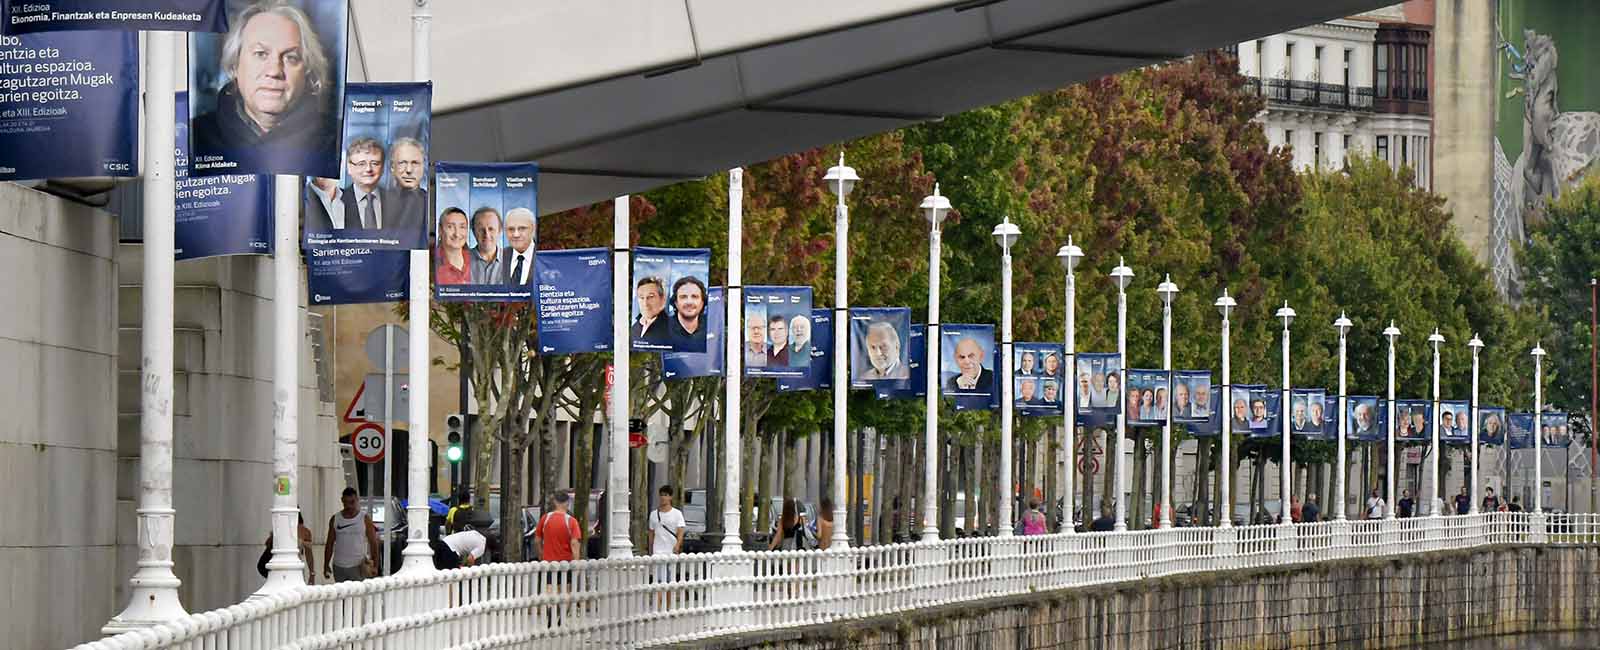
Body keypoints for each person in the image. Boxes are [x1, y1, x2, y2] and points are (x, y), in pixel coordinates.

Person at [191, 2, 336, 168]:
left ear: (308, 71)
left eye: (291, 57)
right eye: (261, 54)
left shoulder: (337, 141)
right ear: (235, 65)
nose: (274, 71)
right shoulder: (195, 136)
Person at [324, 487, 381, 582]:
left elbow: (373, 543)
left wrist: (375, 566)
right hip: (339, 566)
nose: (349, 506)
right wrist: (326, 565)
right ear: (342, 501)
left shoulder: (364, 519)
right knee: (342, 596)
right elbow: (329, 544)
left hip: (358, 567)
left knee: (358, 596)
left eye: (352, 502)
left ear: (357, 500)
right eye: (346, 502)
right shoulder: (335, 519)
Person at [257, 513, 315, 583]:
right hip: (294, 565)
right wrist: (312, 573)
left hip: (282, 564)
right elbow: (309, 556)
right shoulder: (304, 531)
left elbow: (267, 544)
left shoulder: (281, 528)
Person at [533, 491, 583, 562]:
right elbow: (574, 543)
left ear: (555, 502)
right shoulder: (571, 521)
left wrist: (540, 554)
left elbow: (537, 540)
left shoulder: (545, 518)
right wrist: (576, 562)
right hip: (566, 564)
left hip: (548, 564)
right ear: (567, 503)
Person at [646, 485, 686, 561]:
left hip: (671, 550)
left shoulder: (677, 513)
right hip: (657, 551)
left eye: (665, 495)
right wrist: (650, 550)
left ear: (670, 497)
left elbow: (680, 532)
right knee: (658, 572)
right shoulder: (653, 514)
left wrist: (677, 546)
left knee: (670, 572)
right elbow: (651, 533)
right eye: (661, 495)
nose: (663, 497)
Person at [667, 277, 709, 349]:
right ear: (676, 303)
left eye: (694, 296)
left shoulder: (711, 326)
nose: (689, 302)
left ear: (702, 302)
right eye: (683, 297)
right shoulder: (662, 328)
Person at [434, 207, 472, 285]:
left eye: (462, 227)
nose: (457, 234)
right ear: (440, 230)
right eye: (450, 227)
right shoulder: (430, 263)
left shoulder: (476, 260)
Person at [500, 208, 536, 287]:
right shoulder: (498, 257)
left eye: (522, 228)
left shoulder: (544, 256)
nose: (516, 234)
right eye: (511, 229)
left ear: (533, 229)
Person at [469, 207, 505, 284]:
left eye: (491, 229)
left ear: (499, 231)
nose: (486, 235)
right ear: (474, 232)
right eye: (481, 229)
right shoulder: (460, 262)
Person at [633, 277, 670, 343]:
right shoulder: (635, 327)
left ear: (662, 299)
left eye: (651, 297)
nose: (645, 303)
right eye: (641, 298)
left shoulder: (670, 329)